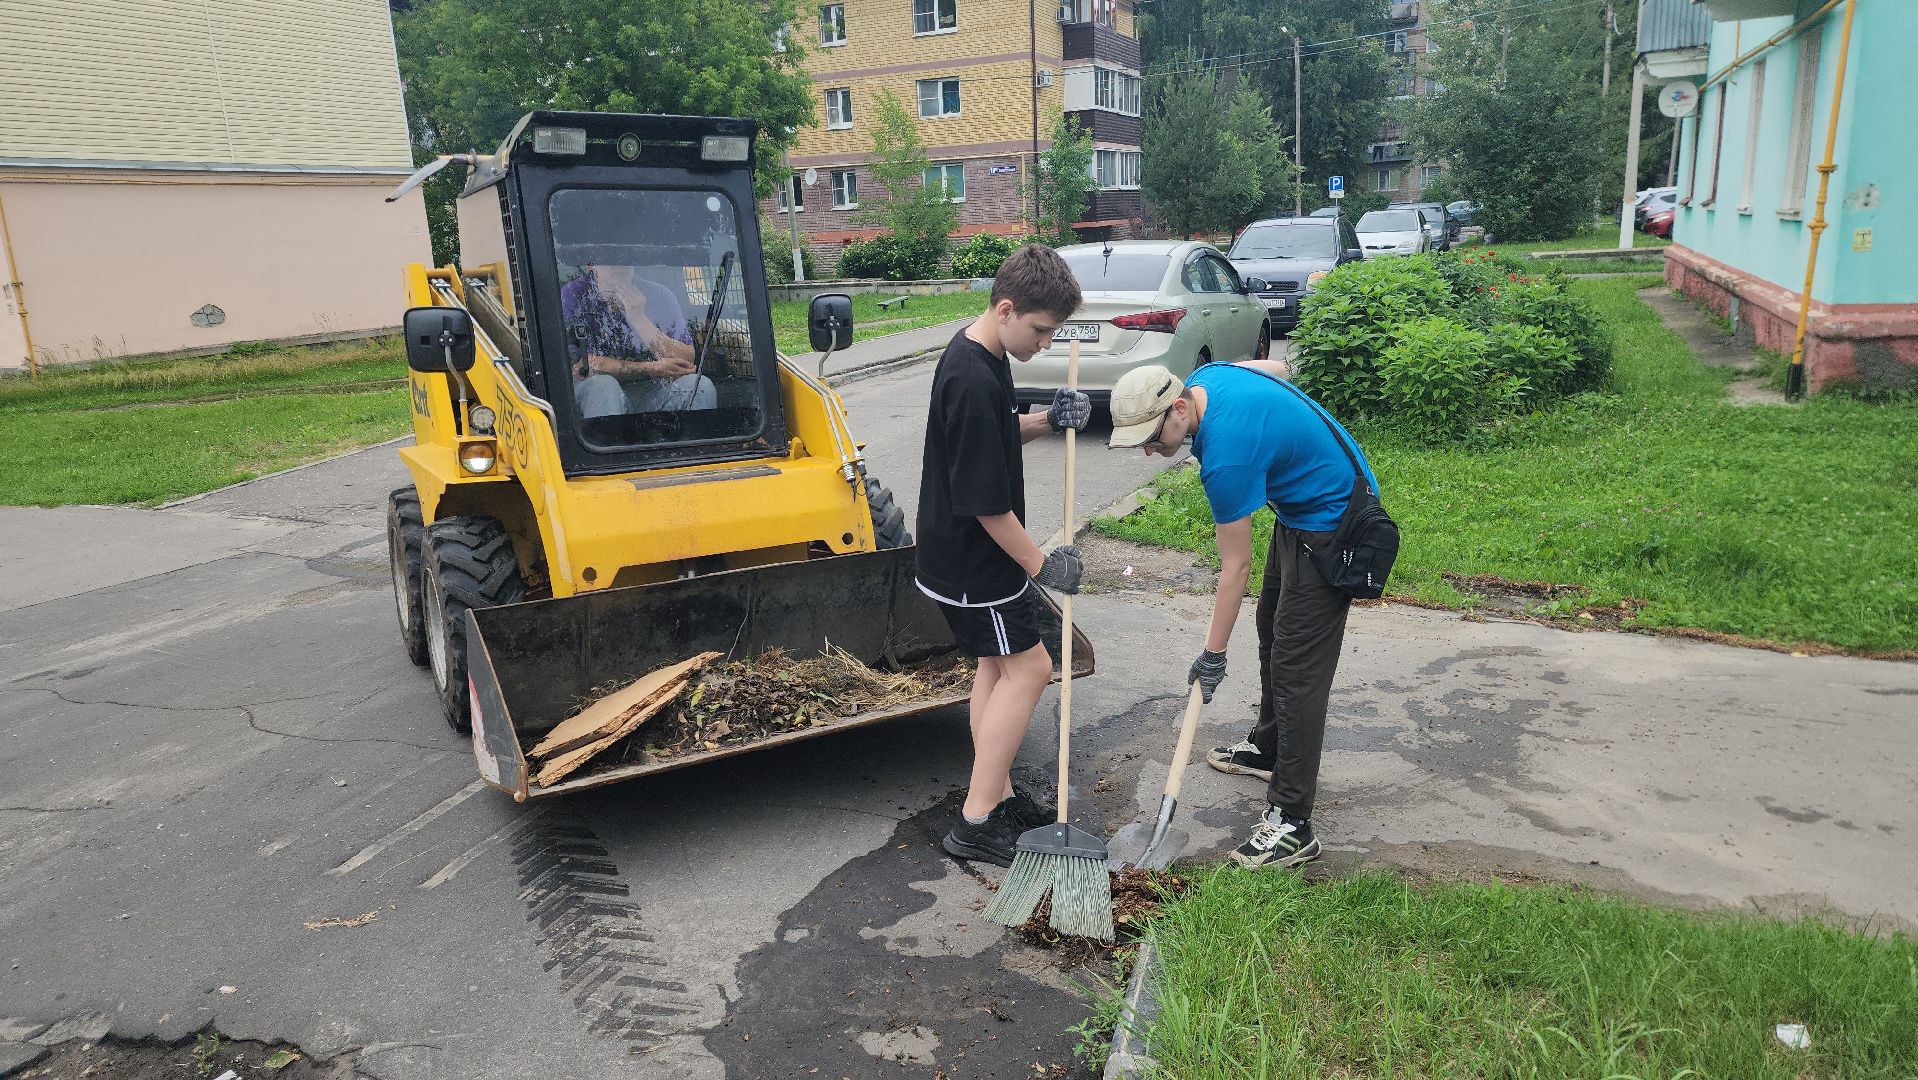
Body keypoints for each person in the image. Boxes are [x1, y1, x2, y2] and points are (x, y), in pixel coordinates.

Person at [1105, 358, 1381, 870]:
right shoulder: (1208, 377)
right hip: (1300, 511)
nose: (1148, 450)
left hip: (1334, 523)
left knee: (1298, 670)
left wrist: (1212, 655)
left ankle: (1293, 823)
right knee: (1271, 626)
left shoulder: (1226, 461)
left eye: (1152, 437)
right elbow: (1276, 367)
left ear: (1179, 408)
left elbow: (1235, 569)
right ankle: (1271, 749)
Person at [917, 244, 1092, 867]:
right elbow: (987, 506)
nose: (1046, 343)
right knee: (1032, 670)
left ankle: (998, 794)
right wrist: (1042, 565)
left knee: (995, 670)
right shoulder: (970, 377)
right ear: (1007, 308)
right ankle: (976, 819)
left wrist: (1045, 419)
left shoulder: (983, 355)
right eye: (1041, 330)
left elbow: (993, 433)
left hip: (964, 560)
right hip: (976, 565)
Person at [561, 264, 716, 417]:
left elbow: (686, 360)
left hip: (651, 391)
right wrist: (651, 368)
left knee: (700, 387)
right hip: (592, 395)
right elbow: (581, 366)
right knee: (603, 386)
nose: (618, 265)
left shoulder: (659, 295)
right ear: (590, 264)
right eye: (607, 258)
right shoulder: (572, 295)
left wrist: (639, 319)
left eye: (624, 258)